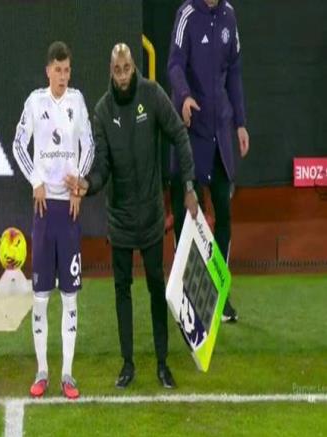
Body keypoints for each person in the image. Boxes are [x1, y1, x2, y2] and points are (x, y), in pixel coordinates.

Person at [66, 43, 197, 389]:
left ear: (133, 67)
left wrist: (188, 185)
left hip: (152, 217)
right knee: (121, 291)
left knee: (157, 288)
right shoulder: (102, 111)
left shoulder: (152, 95)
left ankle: (163, 364)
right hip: (121, 221)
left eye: (127, 68)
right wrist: (87, 185)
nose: (123, 75)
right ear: (111, 71)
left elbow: (179, 134)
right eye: (117, 70)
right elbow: (102, 167)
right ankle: (127, 365)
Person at [12, 41, 94, 399]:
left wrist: (78, 185)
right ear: (48, 71)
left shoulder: (78, 101)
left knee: (70, 296)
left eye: (67, 70)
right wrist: (36, 181)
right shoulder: (35, 102)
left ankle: (68, 374)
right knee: (41, 296)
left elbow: (89, 146)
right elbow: (18, 144)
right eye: (58, 70)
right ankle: (42, 370)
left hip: (69, 212)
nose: (63, 76)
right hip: (44, 212)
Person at [168, 0, 250, 322]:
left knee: (224, 215)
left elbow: (235, 72)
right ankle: (185, 295)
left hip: (220, 133)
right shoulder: (186, 15)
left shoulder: (229, 15)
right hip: (191, 131)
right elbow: (174, 64)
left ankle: (218, 294)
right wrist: (184, 95)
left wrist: (240, 122)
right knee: (186, 215)